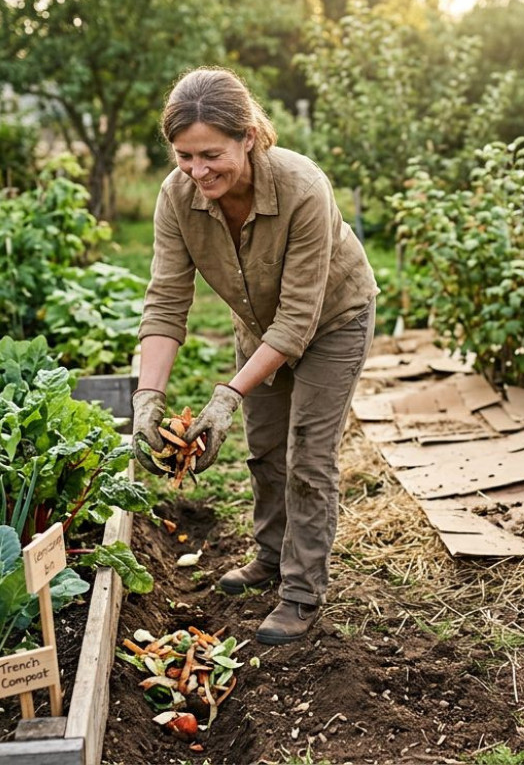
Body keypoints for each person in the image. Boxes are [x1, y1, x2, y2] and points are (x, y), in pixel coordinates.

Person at [132, 67, 378, 645]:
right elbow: (166, 301)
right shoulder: (177, 197)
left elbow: (299, 320)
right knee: (266, 449)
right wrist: (147, 397)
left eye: (211, 154)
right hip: (258, 325)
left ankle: (301, 591)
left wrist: (226, 394)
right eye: (184, 156)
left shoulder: (302, 188)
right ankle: (270, 557)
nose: (197, 171)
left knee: (308, 456)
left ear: (248, 136)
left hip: (333, 320)